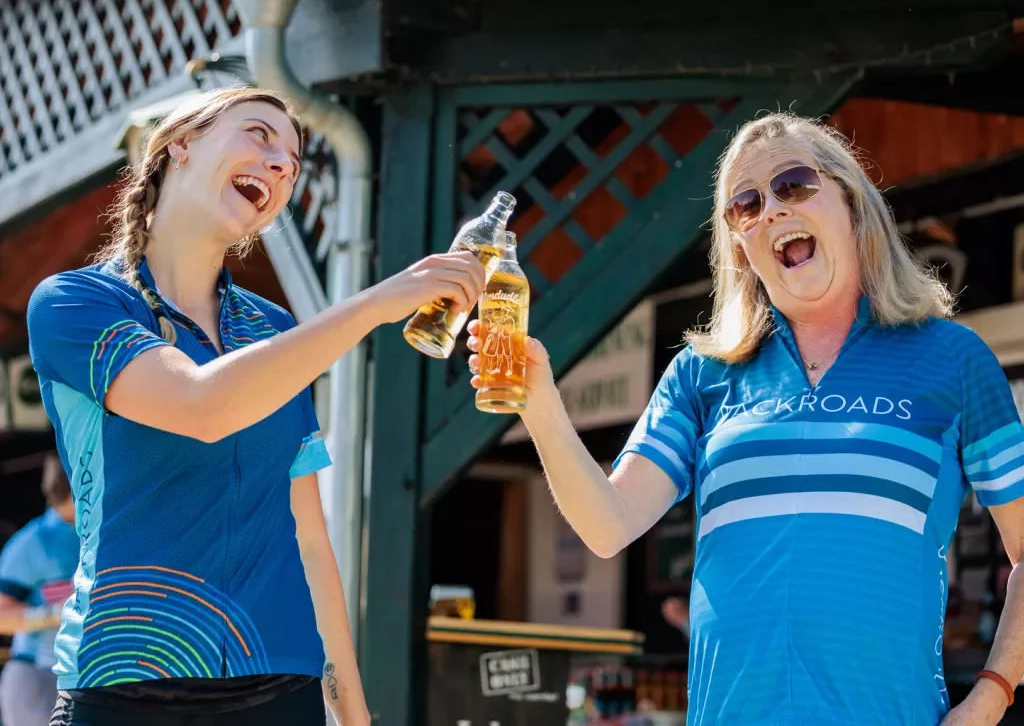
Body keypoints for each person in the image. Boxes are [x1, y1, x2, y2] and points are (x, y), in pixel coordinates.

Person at [468, 112, 1024, 726]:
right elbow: (607, 525)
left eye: (793, 185)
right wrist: (540, 403)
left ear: (852, 202)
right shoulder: (701, 374)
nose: (772, 211)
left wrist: (991, 696)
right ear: (740, 245)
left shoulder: (952, 359)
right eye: (745, 205)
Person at [26, 86, 488, 725]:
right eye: (258, 135)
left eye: (293, 163)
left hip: (281, 687)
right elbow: (199, 405)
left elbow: (309, 538)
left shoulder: (274, 333)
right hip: (125, 685)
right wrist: (379, 303)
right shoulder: (75, 303)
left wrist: (354, 712)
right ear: (179, 148)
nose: (280, 165)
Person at [0, 454, 79, 726]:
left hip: (86, 679)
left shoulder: (99, 533)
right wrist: (56, 614)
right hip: (38, 676)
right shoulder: (34, 541)